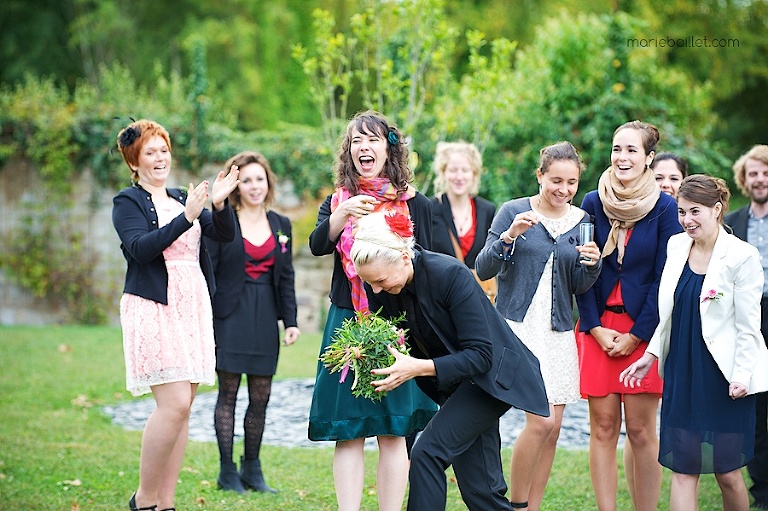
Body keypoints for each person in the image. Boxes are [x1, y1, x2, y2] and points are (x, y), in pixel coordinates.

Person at [350, 210, 550, 511]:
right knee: (481, 492)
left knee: (426, 454)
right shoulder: (380, 284)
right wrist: (368, 349)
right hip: (454, 383)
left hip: (492, 380)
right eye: (370, 284)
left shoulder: (449, 274)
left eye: (379, 281)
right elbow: (395, 334)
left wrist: (417, 367)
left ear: (405, 257)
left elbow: (482, 356)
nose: (375, 290)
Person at [307, 111, 437, 511]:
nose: (364, 147)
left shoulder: (417, 204)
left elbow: (430, 266)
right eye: (357, 141)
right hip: (348, 321)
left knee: (393, 431)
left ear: (389, 149)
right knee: (349, 431)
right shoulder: (338, 200)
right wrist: (340, 216)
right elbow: (316, 245)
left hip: (397, 324)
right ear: (349, 151)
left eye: (373, 140)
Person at [111, 119, 239, 511]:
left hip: (192, 304)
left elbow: (222, 235)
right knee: (174, 404)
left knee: (184, 409)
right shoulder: (127, 203)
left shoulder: (182, 196)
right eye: (150, 152)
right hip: (153, 305)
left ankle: (165, 503)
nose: (160, 157)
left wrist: (217, 204)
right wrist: (186, 217)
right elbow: (140, 248)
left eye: (163, 149)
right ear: (135, 163)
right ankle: (144, 498)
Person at [621, 174, 768, 511]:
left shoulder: (741, 256)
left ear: (717, 209)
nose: (686, 220)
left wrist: (742, 375)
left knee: (728, 473)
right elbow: (670, 314)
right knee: (683, 470)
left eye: (695, 211)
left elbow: (749, 327)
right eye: (682, 212)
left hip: (725, 377)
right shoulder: (676, 246)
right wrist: (652, 353)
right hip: (683, 373)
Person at [475, 141, 602, 510]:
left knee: (554, 429)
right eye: (556, 180)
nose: (563, 190)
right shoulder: (512, 211)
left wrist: (592, 265)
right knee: (542, 423)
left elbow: (578, 285)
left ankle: (534, 506)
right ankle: (516, 504)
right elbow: (483, 268)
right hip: (517, 329)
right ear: (540, 175)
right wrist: (509, 236)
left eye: (572, 182)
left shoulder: (583, 222)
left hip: (558, 331)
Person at [574, 120, 681, 511]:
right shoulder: (591, 202)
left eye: (632, 150)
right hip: (598, 327)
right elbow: (580, 270)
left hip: (644, 331)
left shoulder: (666, 208)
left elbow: (663, 277)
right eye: (617, 149)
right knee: (602, 428)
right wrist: (594, 326)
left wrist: (638, 334)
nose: (622, 157)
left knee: (639, 430)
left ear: (649, 158)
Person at [206, 151, 300, 494]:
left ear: (268, 182)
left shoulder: (281, 225)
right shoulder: (222, 221)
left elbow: (286, 277)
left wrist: (290, 320)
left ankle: (252, 469)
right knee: (228, 395)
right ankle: (227, 471)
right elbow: (210, 270)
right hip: (230, 315)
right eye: (246, 179)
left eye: (260, 178)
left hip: (265, 319)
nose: (254, 185)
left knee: (261, 396)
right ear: (236, 185)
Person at [724, 144, 768, 509]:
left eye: (766, 172)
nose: (760, 179)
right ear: (744, 179)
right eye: (753, 173)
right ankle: (762, 490)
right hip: (748, 320)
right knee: (754, 407)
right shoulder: (734, 223)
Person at [430, 141, 496, 298]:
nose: (459, 177)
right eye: (453, 170)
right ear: (443, 172)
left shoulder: (487, 210)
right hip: (441, 296)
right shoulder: (430, 208)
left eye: (465, 170)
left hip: (478, 296)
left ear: (474, 173)